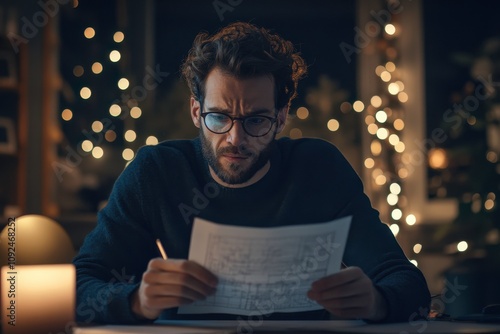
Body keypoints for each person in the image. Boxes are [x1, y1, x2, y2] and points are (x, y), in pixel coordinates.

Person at [73, 21, 430, 325]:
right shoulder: (155, 173)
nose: (235, 138)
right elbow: (78, 285)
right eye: (219, 117)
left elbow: (409, 286)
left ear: (281, 115)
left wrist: (377, 301)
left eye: (256, 120)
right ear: (196, 112)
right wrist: (137, 300)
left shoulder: (319, 170)